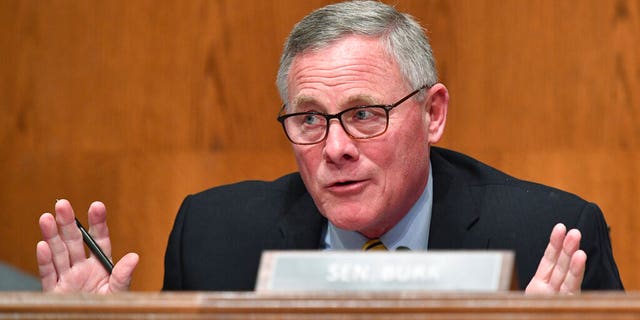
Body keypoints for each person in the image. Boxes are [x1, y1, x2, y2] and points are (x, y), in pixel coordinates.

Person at [36, 0, 623, 294]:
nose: (335, 148)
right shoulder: (213, 237)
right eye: (310, 119)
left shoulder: (550, 239)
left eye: (365, 114)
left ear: (432, 113)